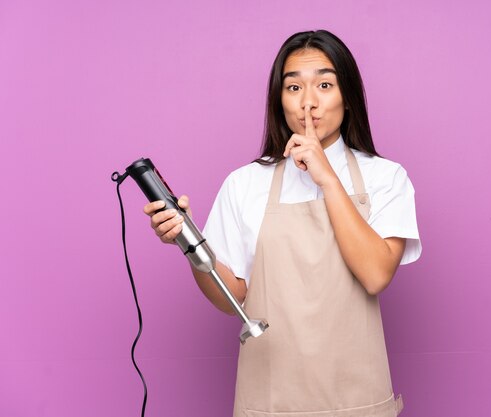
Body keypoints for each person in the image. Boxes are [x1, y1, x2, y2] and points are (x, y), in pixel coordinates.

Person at [144, 29, 421, 417]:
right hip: (270, 401)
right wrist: (189, 243)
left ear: (349, 98)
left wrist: (327, 178)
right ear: (279, 101)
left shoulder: (386, 177)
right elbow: (232, 298)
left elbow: (375, 274)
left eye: (325, 84)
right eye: (293, 88)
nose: (308, 101)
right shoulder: (245, 183)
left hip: (357, 400)